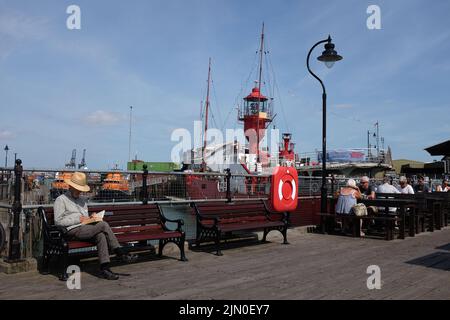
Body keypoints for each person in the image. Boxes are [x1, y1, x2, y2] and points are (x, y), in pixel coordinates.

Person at [54, 172, 136, 280]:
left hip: (84, 228)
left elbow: (85, 219)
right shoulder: (61, 199)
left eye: (80, 189)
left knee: (101, 235)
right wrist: (77, 219)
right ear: (71, 186)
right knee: (103, 225)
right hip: (71, 230)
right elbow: (58, 221)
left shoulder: (82, 200)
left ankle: (105, 269)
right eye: (77, 189)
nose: (79, 192)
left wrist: (91, 218)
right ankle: (120, 252)